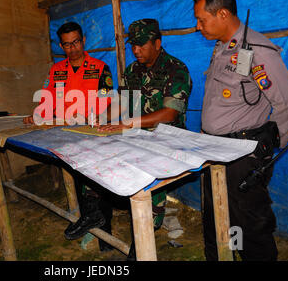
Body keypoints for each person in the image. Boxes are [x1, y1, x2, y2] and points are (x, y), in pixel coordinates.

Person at [193, 0, 288, 261]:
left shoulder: (257, 51)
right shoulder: (220, 48)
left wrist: (266, 148)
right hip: (213, 150)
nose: (197, 26)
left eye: (201, 19)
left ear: (222, 15)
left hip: (241, 155)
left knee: (249, 226)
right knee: (215, 218)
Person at [99, 18, 192, 259]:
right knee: (97, 155)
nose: (136, 50)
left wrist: (127, 123)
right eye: (133, 45)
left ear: (157, 43)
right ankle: (95, 214)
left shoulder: (176, 68)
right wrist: (100, 120)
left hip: (167, 140)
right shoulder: (132, 70)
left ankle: (144, 237)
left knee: (149, 177)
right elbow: (121, 103)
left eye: (141, 45)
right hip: (136, 135)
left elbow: (171, 113)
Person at [23, 21, 115, 251]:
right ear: (61, 46)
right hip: (65, 137)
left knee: (99, 182)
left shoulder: (100, 67)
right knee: (78, 181)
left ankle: (106, 238)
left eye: (76, 42)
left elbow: (107, 103)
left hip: (93, 135)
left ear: (83, 41)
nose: (72, 48)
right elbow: (47, 101)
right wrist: (36, 115)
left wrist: (95, 119)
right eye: (66, 45)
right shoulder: (56, 71)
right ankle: (90, 230)